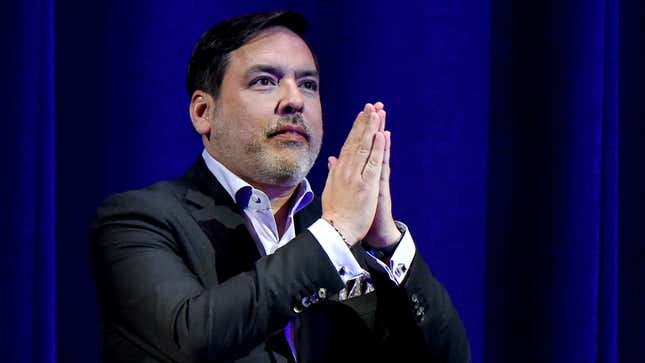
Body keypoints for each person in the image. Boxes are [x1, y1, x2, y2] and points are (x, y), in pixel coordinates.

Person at [90, 11, 470, 363]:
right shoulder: (138, 220)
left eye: (308, 84)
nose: (294, 101)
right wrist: (332, 237)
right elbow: (192, 338)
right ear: (203, 112)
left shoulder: (346, 230)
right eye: (265, 81)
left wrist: (387, 243)